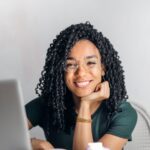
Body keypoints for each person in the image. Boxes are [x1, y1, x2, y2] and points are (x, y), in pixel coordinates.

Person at [25, 22, 137, 150]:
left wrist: (85, 104)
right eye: (71, 64)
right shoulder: (48, 104)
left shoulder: (122, 113)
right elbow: (5, 132)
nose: (81, 73)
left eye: (90, 63)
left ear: (103, 68)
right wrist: (30, 144)